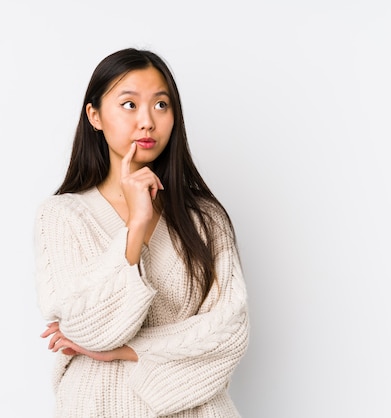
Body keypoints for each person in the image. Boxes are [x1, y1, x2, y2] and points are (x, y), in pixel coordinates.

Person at [34, 47, 249, 418]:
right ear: (95, 115)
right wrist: (137, 227)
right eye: (129, 104)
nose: (147, 121)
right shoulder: (61, 216)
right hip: (97, 406)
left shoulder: (206, 219)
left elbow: (230, 334)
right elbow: (87, 330)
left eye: (161, 105)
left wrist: (127, 352)